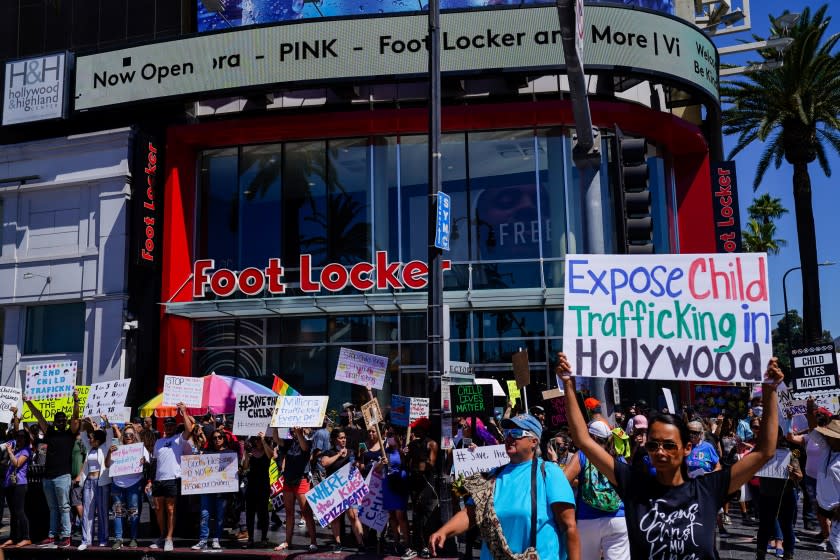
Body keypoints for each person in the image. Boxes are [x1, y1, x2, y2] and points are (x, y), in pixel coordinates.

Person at [557, 351, 783, 560]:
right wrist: (568, 385)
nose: (660, 451)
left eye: (669, 445)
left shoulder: (708, 489)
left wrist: (770, 390)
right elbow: (584, 440)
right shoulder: (635, 486)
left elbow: (764, 452)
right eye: (653, 445)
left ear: (687, 448)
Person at [429, 413, 579, 560]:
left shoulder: (549, 473)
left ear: (534, 441)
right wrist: (444, 531)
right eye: (507, 432)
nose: (509, 437)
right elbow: (472, 513)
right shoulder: (494, 475)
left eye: (516, 433)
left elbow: (569, 527)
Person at [24, 390, 81, 548]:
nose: (61, 421)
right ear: (55, 422)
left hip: (63, 476)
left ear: (66, 421)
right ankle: (52, 535)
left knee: (64, 507)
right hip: (48, 477)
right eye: (58, 419)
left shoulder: (70, 434)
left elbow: (76, 418)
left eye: (63, 419)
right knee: (53, 508)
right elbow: (39, 417)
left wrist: (76, 401)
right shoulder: (50, 433)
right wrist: (28, 402)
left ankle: (66, 536)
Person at [564, 421, 629, 560]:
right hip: (617, 517)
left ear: (591, 438)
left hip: (587, 519)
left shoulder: (582, 455)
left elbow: (564, 481)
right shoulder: (618, 458)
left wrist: (579, 483)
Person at [146, 403, 194, 552]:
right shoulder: (158, 442)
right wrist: (150, 481)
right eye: (167, 425)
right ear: (163, 427)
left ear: (175, 426)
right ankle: (162, 535)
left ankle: (169, 538)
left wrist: (184, 412)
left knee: (171, 509)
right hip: (158, 480)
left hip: (173, 479)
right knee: (158, 509)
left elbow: (189, 429)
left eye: (172, 425)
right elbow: (154, 463)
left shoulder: (180, 439)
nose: (169, 427)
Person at [754, 428, 801, 560]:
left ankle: (788, 554)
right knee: (764, 526)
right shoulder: (760, 452)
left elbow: (800, 476)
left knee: (787, 525)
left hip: (785, 495)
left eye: (776, 435)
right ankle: (760, 554)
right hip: (766, 494)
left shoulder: (789, 454)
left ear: (781, 437)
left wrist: (793, 473)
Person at [320, 428, 366, 553]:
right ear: (335, 439)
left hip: (348, 490)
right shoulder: (330, 452)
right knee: (336, 518)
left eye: (344, 437)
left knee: (353, 516)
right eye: (341, 438)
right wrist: (339, 454)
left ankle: (360, 543)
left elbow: (359, 467)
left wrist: (360, 458)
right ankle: (338, 543)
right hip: (335, 491)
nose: (344, 440)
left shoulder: (351, 452)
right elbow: (324, 463)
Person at [273, 427, 318, 552]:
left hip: (301, 479)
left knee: (306, 512)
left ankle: (313, 541)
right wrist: (275, 426)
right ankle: (288, 541)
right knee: (289, 512)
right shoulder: (289, 442)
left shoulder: (308, 440)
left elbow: (305, 448)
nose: (293, 429)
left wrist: (299, 433)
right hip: (288, 478)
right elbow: (277, 439)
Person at [106, 423, 149, 549]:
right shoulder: (116, 448)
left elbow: (148, 463)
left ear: (135, 436)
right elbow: (107, 465)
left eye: (131, 434)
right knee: (117, 512)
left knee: (133, 512)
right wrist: (109, 453)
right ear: (123, 436)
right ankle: (118, 539)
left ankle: (133, 538)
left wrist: (144, 461)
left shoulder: (140, 448)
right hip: (117, 484)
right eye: (126, 435)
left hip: (134, 484)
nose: (128, 436)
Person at [192, 428, 236, 550]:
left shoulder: (230, 453)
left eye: (219, 437)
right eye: (214, 438)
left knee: (220, 517)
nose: (217, 440)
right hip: (207, 490)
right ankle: (203, 540)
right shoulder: (206, 453)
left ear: (224, 439)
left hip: (222, 491)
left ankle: (216, 539)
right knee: (204, 514)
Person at [75, 423, 113, 551]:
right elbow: (83, 435)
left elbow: (109, 434)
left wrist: (106, 421)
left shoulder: (105, 447)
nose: (89, 440)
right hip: (89, 482)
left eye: (92, 438)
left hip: (101, 482)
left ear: (98, 440)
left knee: (102, 511)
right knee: (87, 512)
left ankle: (103, 539)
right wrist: (83, 423)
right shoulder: (89, 448)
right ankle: (86, 540)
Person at [405, 417, 440, 558]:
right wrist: (405, 454)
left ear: (423, 430)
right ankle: (417, 545)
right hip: (414, 481)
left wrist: (419, 462)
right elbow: (407, 463)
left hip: (427, 483)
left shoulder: (432, 444)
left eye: (417, 429)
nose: (414, 431)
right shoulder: (412, 444)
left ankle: (427, 546)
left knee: (426, 517)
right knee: (416, 516)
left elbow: (431, 463)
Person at [1, 419, 32, 548]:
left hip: (20, 484)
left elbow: (17, 463)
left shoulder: (26, 451)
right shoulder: (14, 447)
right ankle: (13, 537)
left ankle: (26, 537)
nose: (19, 439)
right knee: (13, 513)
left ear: (26, 439)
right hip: (9, 483)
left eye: (22, 437)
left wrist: (9, 453)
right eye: (17, 437)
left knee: (20, 511)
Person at [242, 433, 271, 549]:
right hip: (251, 485)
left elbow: (271, 455)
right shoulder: (250, 451)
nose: (258, 441)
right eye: (256, 439)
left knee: (263, 512)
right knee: (250, 512)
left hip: (263, 485)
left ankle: (264, 538)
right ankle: (250, 539)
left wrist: (264, 441)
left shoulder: (268, 450)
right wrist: (247, 456)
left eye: (260, 439)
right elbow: (244, 466)